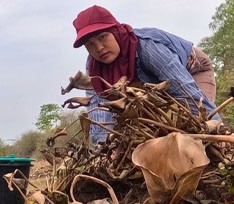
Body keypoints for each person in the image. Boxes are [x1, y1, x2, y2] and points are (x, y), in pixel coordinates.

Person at [67, 5, 220, 143]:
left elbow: (183, 87)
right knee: (143, 136)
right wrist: (105, 145)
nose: (99, 48)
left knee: (194, 125)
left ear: (116, 31)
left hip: (193, 70)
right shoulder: (95, 67)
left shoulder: (146, 47)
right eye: (90, 44)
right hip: (154, 86)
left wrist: (217, 129)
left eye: (103, 37)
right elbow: (99, 106)